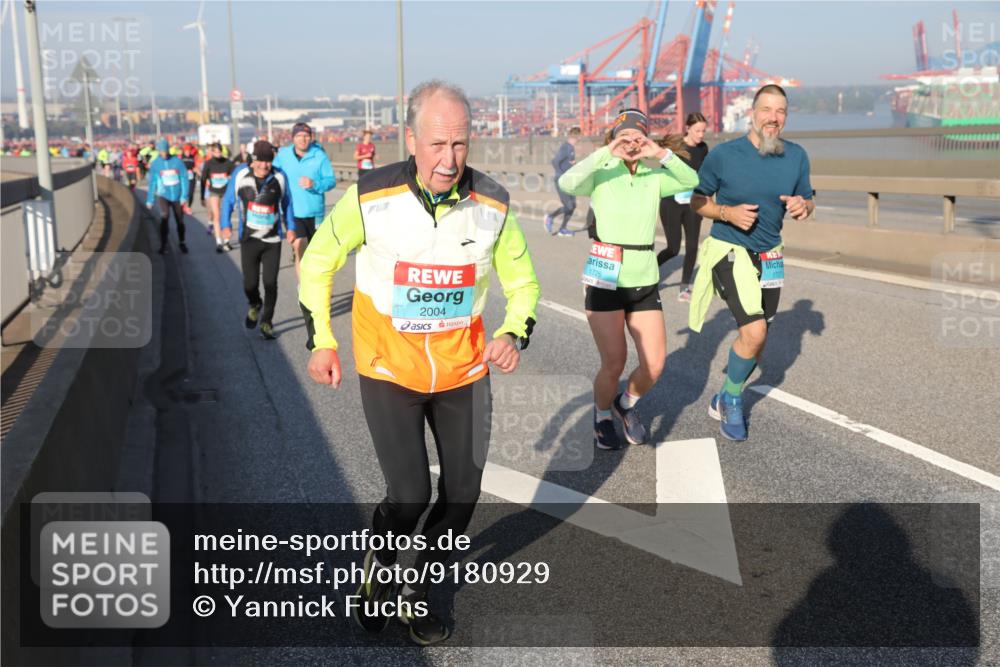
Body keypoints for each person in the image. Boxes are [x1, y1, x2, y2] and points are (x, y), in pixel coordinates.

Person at [298, 80, 539, 646]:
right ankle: (380, 564)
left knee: (462, 496)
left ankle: (419, 589)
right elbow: (317, 263)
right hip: (390, 368)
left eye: (459, 144)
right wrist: (322, 341)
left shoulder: (493, 204)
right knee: (409, 495)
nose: (449, 159)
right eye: (436, 144)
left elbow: (524, 284)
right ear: (410, 139)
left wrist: (512, 332)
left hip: (464, 371)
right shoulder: (370, 197)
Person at [558, 109, 698, 450]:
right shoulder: (602, 171)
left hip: (643, 277)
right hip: (605, 278)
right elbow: (567, 183)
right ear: (614, 138)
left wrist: (660, 153)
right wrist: (609, 151)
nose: (632, 143)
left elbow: (690, 181)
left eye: (638, 137)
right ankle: (602, 415)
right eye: (625, 136)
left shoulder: (654, 174)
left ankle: (625, 403)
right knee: (614, 362)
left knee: (655, 363)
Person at [689, 84, 814, 441]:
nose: (773, 118)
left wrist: (803, 207)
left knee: (758, 339)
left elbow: (808, 199)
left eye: (781, 111)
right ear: (752, 113)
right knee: (754, 331)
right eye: (767, 110)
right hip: (730, 249)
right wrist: (727, 213)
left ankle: (724, 394)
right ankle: (731, 399)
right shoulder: (725, 155)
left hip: (770, 255)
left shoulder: (797, 156)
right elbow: (697, 201)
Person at [220, 140, 294, 340]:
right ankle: (255, 303)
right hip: (249, 239)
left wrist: (291, 228)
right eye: (260, 161)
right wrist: (225, 224)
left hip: (272, 240)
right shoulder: (240, 174)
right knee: (249, 285)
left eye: (268, 161)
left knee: (270, 283)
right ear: (252, 160)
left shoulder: (279, 176)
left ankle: (267, 322)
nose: (264, 165)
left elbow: (287, 203)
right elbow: (228, 201)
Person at [657, 112, 710, 302]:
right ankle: (649, 275)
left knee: (693, 247)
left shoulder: (703, 148)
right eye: (697, 131)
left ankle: (684, 287)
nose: (701, 135)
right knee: (673, 248)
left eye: (703, 131)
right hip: (671, 203)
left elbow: (705, 173)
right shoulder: (676, 147)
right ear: (688, 128)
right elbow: (663, 175)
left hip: (692, 203)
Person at [273, 122, 336, 278]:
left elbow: (331, 181)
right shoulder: (283, 155)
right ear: (293, 138)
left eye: (306, 136)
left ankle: (313, 278)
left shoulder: (319, 156)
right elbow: (272, 175)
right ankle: (303, 287)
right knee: (299, 245)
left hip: (314, 211)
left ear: (311, 137)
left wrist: (314, 184)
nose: (303, 139)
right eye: (299, 135)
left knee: (314, 252)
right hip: (292, 211)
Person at [145, 138, 191, 255]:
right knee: (164, 217)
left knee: (179, 220)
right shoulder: (156, 164)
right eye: (161, 152)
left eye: (165, 151)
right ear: (158, 151)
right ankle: (163, 244)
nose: (164, 154)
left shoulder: (177, 162)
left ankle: (182, 242)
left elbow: (184, 178)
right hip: (163, 195)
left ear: (168, 150)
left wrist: (184, 196)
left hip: (177, 195)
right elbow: (152, 183)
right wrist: (150, 199)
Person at [200, 142, 237, 252]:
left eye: (219, 152)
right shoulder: (208, 164)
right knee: (216, 216)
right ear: (212, 152)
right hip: (214, 192)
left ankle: (226, 241)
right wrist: (202, 196)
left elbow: (236, 175)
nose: (218, 154)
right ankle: (219, 242)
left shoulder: (227, 163)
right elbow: (203, 180)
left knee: (226, 215)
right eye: (215, 152)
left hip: (226, 192)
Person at [544, 126, 582, 236]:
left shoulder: (571, 148)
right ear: (576, 136)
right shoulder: (566, 147)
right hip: (562, 181)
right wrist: (561, 175)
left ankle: (562, 229)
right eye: (580, 136)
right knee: (568, 206)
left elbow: (567, 163)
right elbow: (555, 161)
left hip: (569, 181)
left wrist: (573, 165)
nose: (580, 139)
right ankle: (550, 217)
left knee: (572, 205)